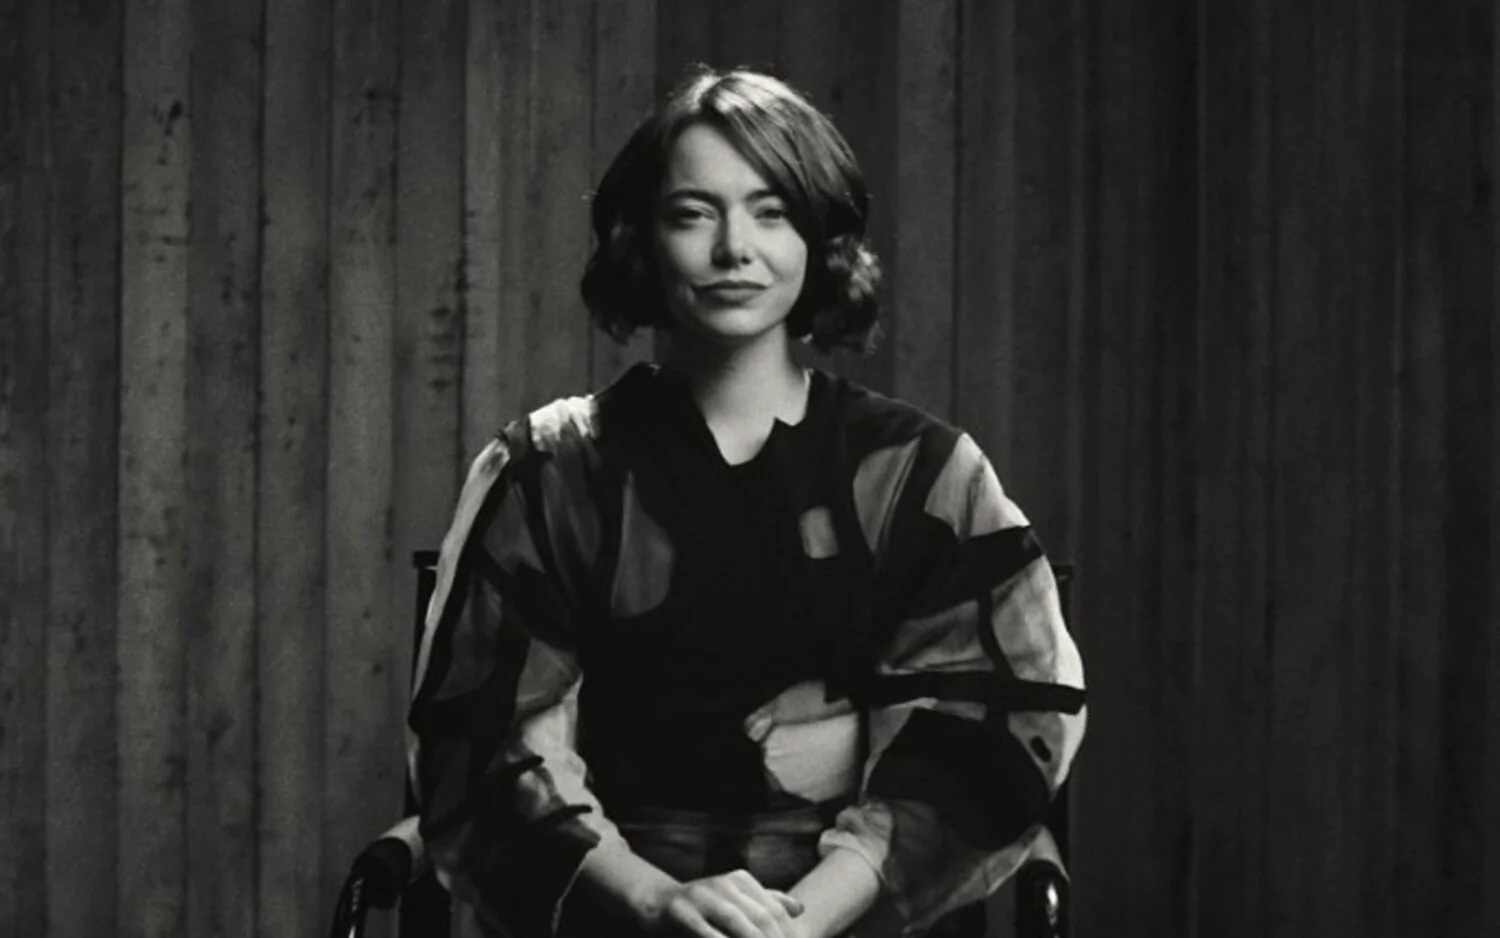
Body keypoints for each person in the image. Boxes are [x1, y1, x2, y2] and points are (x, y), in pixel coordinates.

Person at [406, 67, 1087, 938]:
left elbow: (987, 736)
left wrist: (801, 922)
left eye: (772, 212)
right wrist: (657, 900)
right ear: (641, 239)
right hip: (618, 917)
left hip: (852, 919)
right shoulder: (550, 471)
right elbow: (488, 744)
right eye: (694, 213)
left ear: (819, 237)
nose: (735, 248)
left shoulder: (921, 473)